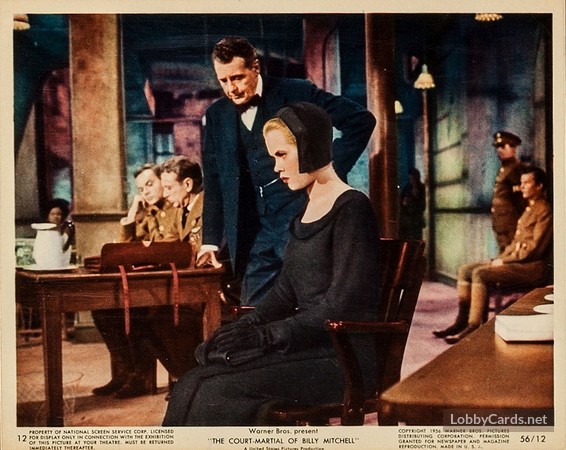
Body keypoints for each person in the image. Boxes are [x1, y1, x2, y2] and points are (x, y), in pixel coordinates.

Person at [163, 102, 381, 426]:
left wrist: (268, 337)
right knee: (193, 381)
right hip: (311, 344)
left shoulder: (352, 207)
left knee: (213, 390)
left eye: (281, 155)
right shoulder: (304, 210)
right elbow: (285, 292)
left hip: (344, 357)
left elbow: (343, 304)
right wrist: (245, 327)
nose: (276, 167)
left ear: (309, 147)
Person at [196, 35, 376, 306]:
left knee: (308, 306)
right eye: (224, 81)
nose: (231, 88)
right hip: (255, 233)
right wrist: (209, 242)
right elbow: (213, 180)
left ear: (255, 67)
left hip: (303, 217)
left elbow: (360, 121)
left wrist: (324, 167)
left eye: (238, 78)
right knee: (251, 309)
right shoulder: (216, 115)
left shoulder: (296, 92)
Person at [91, 159, 204, 398]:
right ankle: (126, 373)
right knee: (104, 310)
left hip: (172, 285)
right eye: (141, 189)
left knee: (143, 313)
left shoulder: (178, 208)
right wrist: (132, 215)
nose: (146, 192)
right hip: (156, 283)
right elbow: (126, 249)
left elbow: (177, 249)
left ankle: (147, 377)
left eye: (151, 184)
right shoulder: (149, 213)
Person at [433, 166, 552, 344]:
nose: (522, 187)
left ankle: (473, 326)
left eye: (526, 183)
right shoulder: (530, 209)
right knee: (465, 270)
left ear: (539, 186)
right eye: (521, 183)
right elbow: (515, 244)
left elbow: (534, 249)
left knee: (480, 273)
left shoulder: (544, 211)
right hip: (517, 262)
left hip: (531, 268)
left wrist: (504, 261)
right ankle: (461, 321)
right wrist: (500, 259)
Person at [491, 131, 528, 252]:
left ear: (513, 148)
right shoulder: (504, 168)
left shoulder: (516, 169)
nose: (499, 150)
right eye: (497, 147)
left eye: (502, 146)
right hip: (502, 225)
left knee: (511, 254)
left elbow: (521, 200)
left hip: (511, 225)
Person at [399, 168, 426, 240]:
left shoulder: (421, 188)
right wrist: (404, 203)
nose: (412, 181)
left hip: (416, 221)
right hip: (408, 221)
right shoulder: (407, 188)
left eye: (413, 179)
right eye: (410, 179)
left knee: (416, 239)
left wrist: (415, 197)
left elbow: (423, 205)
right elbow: (401, 200)